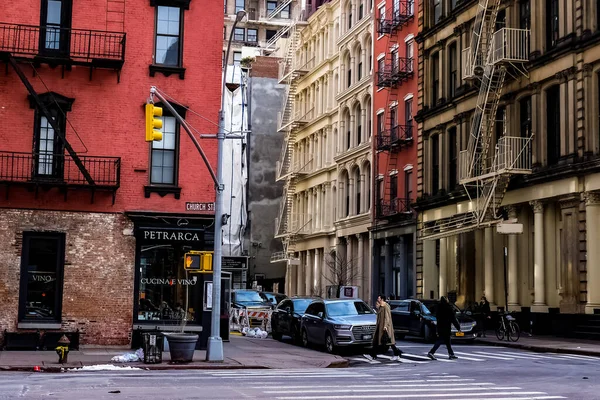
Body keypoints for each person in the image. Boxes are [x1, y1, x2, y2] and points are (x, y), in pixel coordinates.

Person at [364, 295, 403, 361]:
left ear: (382, 299)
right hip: (380, 327)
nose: (377, 299)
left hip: (385, 327)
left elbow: (387, 317)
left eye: (379, 298)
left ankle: (397, 353)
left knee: (389, 342)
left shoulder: (385, 306)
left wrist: (385, 326)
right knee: (377, 341)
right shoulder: (381, 307)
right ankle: (372, 354)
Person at [428, 296, 461, 360]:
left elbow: (434, 314)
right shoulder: (449, 308)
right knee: (441, 340)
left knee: (447, 341)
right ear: (446, 300)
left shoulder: (438, 308)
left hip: (440, 326)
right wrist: (458, 328)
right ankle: (431, 352)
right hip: (446, 327)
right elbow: (453, 319)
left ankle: (451, 354)